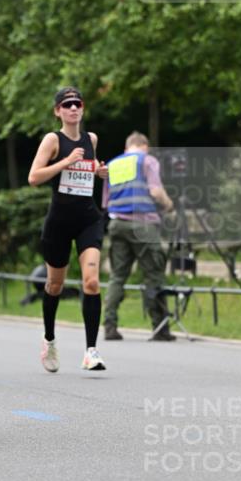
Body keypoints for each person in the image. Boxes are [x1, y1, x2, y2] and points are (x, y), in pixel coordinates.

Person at [28, 86, 108, 373]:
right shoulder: (53, 140)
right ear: (57, 111)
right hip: (59, 222)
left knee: (91, 282)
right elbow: (34, 177)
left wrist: (98, 171)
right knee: (55, 285)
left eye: (77, 104)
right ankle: (49, 339)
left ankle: (91, 351)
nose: (73, 108)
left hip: (88, 219)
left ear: (83, 108)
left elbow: (89, 169)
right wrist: (65, 161)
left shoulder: (91, 139)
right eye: (67, 104)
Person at [102, 131, 175, 341]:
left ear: (127, 147)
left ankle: (110, 326)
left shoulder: (113, 164)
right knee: (154, 274)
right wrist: (169, 206)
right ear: (144, 146)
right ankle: (160, 328)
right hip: (143, 224)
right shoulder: (147, 160)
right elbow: (155, 191)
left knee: (117, 277)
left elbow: (106, 202)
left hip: (116, 224)